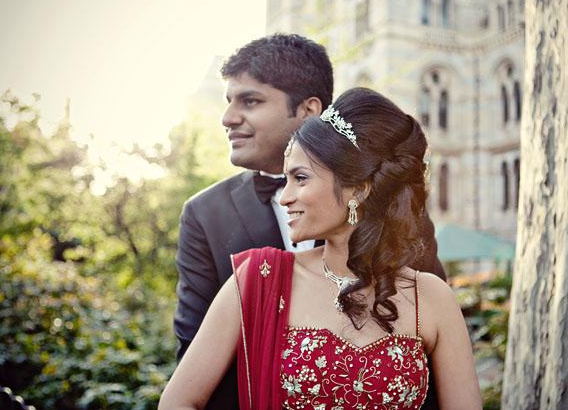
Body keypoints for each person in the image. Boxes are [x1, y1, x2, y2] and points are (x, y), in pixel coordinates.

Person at [161, 88, 481, 410]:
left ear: (360, 188)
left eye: (300, 178)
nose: (285, 197)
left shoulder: (432, 298)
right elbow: (178, 402)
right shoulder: (258, 280)